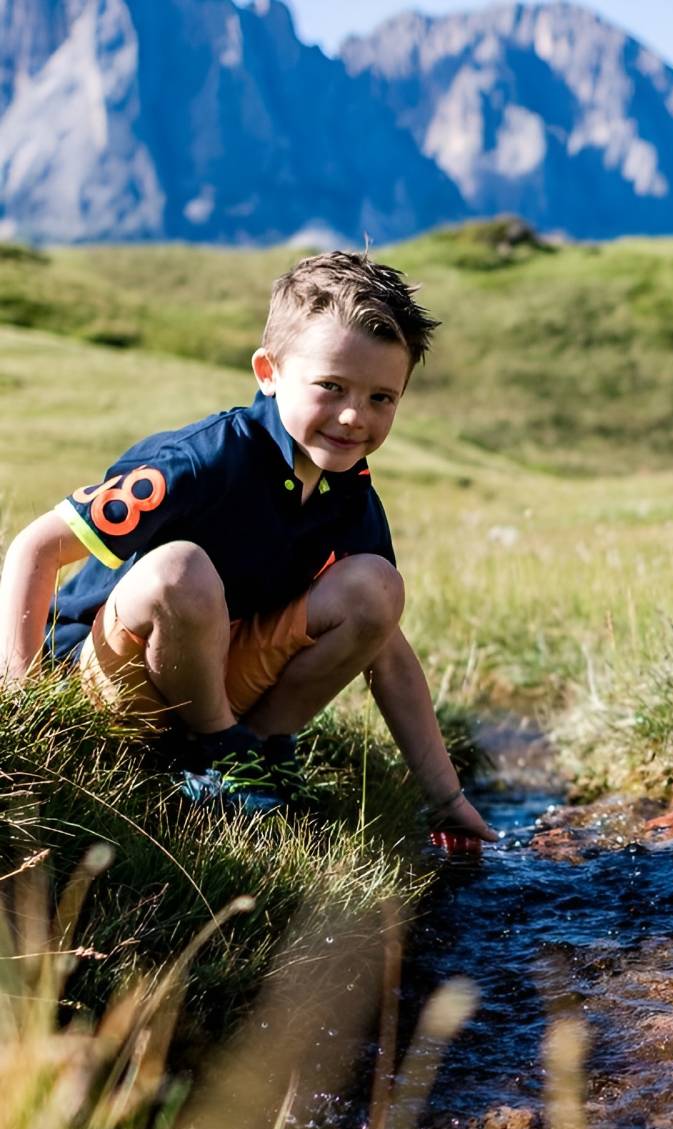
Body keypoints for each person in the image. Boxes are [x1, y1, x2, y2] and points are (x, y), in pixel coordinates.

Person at [0, 250, 497, 841]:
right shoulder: (204, 459)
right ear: (269, 372)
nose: (351, 416)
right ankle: (218, 749)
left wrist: (446, 797)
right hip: (106, 680)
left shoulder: (350, 495)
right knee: (180, 570)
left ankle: (252, 756)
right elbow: (35, 547)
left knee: (377, 587)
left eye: (380, 398)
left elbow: (384, 645)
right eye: (331, 386)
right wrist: (21, 714)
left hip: (212, 675)